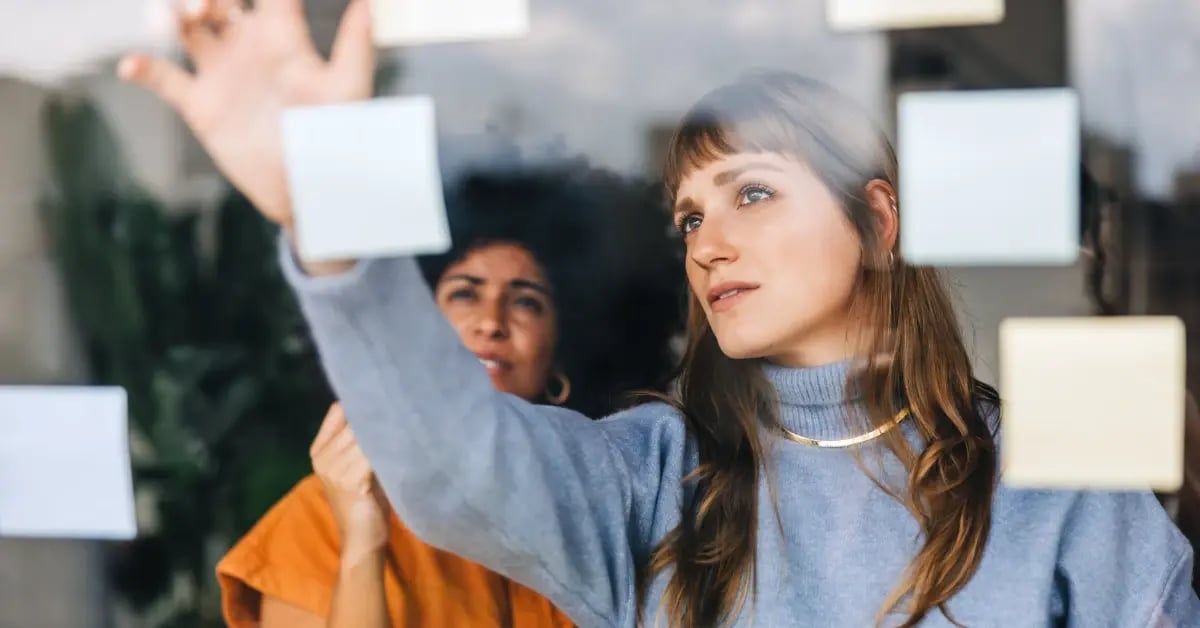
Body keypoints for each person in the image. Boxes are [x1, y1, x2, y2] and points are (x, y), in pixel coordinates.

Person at [120, 1, 1200, 625]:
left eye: (754, 192)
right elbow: (451, 461)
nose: (710, 242)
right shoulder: (653, 475)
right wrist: (330, 220)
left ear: (878, 221)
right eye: (689, 218)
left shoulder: (1049, 487)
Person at [214, 160, 685, 627]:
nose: (491, 321)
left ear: (562, 361)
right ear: (415, 335)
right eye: (465, 293)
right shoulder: (317, 519)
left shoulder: (603, 516)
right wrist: (363, 539)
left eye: (526, 301)